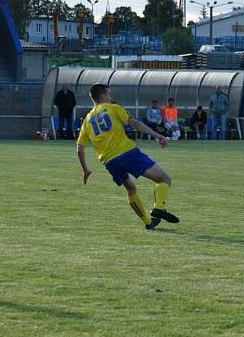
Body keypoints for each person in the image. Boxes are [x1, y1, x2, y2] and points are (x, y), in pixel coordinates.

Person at [76, 83, 179, 231]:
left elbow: (80, 148)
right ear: (103, 95)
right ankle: (158, 208)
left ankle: (148, 222)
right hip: (127, 153)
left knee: (131, 189)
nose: (110, 97)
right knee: (164, 179)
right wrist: (158, 135)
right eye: (109, 94)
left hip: (109, 162)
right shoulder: (113, 108)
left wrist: (85, 169)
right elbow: (135, 124)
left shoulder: (87, 120)